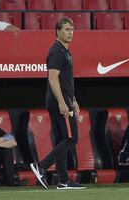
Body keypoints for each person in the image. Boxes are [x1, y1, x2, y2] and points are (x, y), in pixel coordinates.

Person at [29, 17, 86, 190]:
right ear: (58, 31)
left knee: (63, 138)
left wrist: (73, 99)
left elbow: (66, 80)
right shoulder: (56, 51)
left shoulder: (66, 51)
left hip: (66, 101)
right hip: (59, 103)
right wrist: (63, 103)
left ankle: (63, 180)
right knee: (71, 138)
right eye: (67, 29)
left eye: (72, 29)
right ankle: (41, 166)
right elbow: (53, 78)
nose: (70, 32)